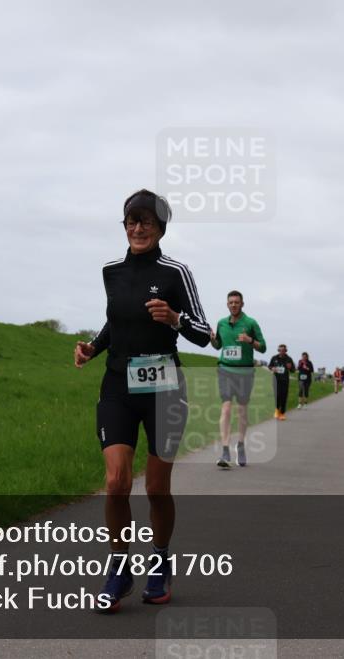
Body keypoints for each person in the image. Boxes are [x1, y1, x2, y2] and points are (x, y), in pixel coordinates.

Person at [74, 189, 211, 613]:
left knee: (155, 488)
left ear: (160, 228)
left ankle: (161, 560)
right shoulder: (111, 270)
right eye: (131, 221)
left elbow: (205, 333)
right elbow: (115, 320)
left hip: (164, 387)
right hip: (117, 385)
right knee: (115, 483)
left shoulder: (176, 272)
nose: (138, 228)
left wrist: (175, 318)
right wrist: (93, 348)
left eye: (146, 222)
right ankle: (119, 567)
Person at [210, 291, 265, 468]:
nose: (233, 305)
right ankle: (225, 449)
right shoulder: (221, 323)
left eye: (236, 302)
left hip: (245, 372)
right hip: (225, 370)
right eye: (231, 302)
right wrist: (212, 340)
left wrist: (250, 340)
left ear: (242, 304)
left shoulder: (250, 323)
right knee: (226, 408)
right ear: (227, 304)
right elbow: (218, 345)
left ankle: (240, 445)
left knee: (242, 411)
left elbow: (263, 347)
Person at [268, 344, 294, 420]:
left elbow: (293, 370)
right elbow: (269, 366)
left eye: (283, 350)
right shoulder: (274, 358)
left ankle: (282, 413)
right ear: (278, 350)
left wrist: (290, 367)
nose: (281, 352)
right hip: (276, 380)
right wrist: (272, 368)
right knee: (277, 396)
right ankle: (276, 411)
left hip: (285, 380)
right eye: (280, 350)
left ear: (286, 351)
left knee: (283, 397)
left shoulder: (289, 359)